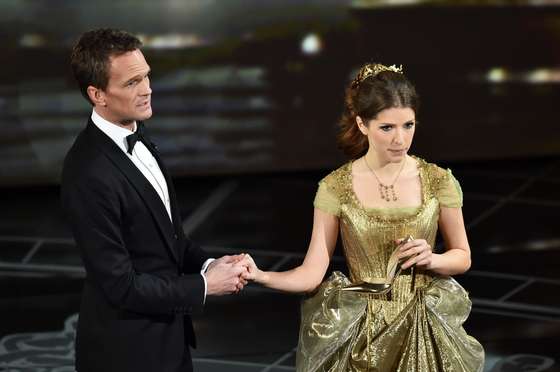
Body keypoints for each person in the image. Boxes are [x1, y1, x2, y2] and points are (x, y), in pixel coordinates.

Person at [244, 63, 485, 371]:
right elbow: (312, 273)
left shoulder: (439, 180)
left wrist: (432, 259)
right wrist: (262, 276)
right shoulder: (335, 188)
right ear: (362, 124)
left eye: (408, 125)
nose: (400, 139)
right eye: (387, 128)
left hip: (424, 325)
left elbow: (462, 256)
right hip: (364, 334)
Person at [61, 28, 249, 372]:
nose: (147, 89)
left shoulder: (140, 134)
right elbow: (122, 286)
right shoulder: (86, 171)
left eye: (146, 76)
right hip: (125, 354)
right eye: (131, 83)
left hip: (170, 344)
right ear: (97, 94)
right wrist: (205, 286)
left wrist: (209, 265)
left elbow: (168, 238)